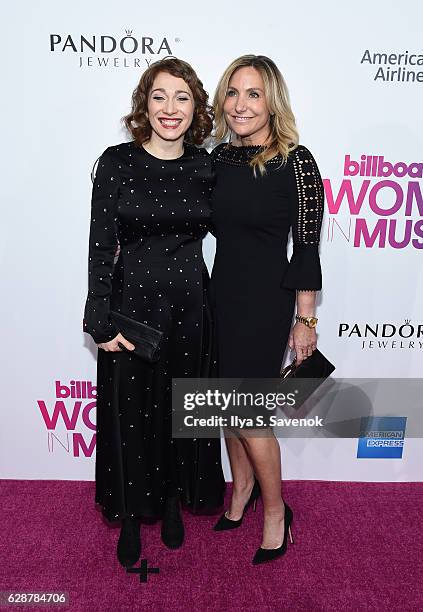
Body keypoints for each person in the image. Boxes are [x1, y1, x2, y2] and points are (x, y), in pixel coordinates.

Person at [83, 57, 225, 567]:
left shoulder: (208, 167)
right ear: (145, 102)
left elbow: (248, 223)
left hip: (190, 304)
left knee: (176, 411)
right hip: (131, 308)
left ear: (196, 108)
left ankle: (170, 500)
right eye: (160, 96)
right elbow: (101, 246)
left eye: (182, 98)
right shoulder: (117, 161)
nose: (171, 108)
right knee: (129, 411)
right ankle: (128, 514)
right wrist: (97, 317)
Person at [210, 55, 324, 565]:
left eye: (253, 94)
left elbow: (306, 246)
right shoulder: (217, 160)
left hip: (266, 300)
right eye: (233, 93)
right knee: (224, 406)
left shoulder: (296, 162)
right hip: (219, 294)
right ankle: (241, 492)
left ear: (272, 101)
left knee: (247, 410)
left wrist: (305, 319)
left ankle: (276, 512)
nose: (240, 104)